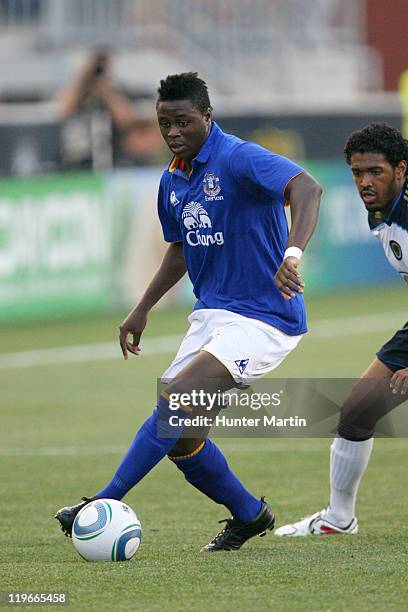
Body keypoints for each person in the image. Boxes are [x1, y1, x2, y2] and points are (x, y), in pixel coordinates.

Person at [55, 72, 322, 551]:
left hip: (264, 317)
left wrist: (292, 254)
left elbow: (307, 189)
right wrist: (142, 309)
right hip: (212, 315)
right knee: (182, 436)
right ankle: (248, 514)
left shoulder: (239, 157)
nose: (173, 132)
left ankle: (99, 502)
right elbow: (179, 249)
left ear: (207, 117)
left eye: (183, 122)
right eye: (164, 123)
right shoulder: (172, 179)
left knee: (174, 401)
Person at [275, 122, 408, 537]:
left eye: (375, 172)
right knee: (357, 410)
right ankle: (338, 519)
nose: (364, 182)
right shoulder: (381, 208)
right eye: (357, 173)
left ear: (401, 169)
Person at [57, 50, 165, 170]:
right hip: (78, 157)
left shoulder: (118, 93)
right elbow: (63, 109)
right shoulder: (79, 94)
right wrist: (83, 76)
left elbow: (125, 119)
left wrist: (105, 88)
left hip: (112, 159)